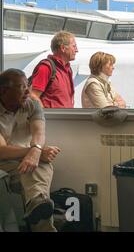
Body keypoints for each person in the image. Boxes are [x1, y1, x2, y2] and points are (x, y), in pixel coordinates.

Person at [0, 69, 61, 232]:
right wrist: (35, 152)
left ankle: (37, 202)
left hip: (24, 161)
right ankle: (38, 205)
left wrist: (37, 150)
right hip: (3, 164)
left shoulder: (32, 103)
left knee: (37, 167)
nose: (28, 91)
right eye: (22, 87)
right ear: (4, 91)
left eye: (28, 85)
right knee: (38, 167)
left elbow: (39, 132)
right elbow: (2, 151)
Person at [30, 30, 78, 108]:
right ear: (63, 48)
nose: (76, 50)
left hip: (64, 118)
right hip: (51, 119)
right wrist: (44, 115)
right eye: (74, 46)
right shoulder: (46, 67)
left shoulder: (68, 69)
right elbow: (33, 96)